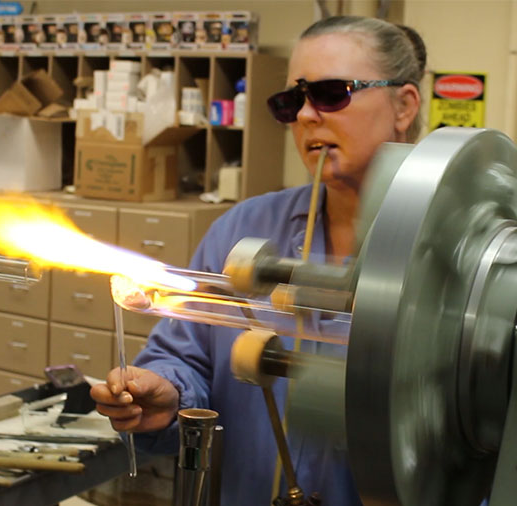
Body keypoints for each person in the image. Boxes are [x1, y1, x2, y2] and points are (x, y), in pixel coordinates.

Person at [90, 15, 426, 505]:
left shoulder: (451, 255)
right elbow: (184, 355)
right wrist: (165, 393)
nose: (307, 116)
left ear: (404, 104)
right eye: (293, 100)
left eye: (333, 93)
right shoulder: (241, 232)